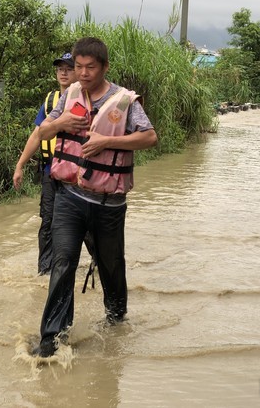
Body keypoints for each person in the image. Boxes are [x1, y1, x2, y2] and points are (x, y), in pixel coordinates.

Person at [34, 37, 158, 357]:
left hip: (108, 204)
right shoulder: (69, 95)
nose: (83, 73)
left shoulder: (124, 101)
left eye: (90, 67)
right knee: (63, 262)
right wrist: (60, 121)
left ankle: (116, 320)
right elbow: (44, 132)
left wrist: (106, 142)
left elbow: (149, 137)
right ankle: (52, 339)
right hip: (70, 197)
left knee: (111, 266)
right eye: (78, 67)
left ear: (104, 68)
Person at [13, 53, 78, 275]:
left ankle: (98, 267)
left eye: (68, 68)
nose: (63, 72)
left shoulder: (85, 100)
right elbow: (36, 136)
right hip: (51, 172)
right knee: (47, 221)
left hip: (76, 175)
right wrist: (20, 165)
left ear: (78, 71)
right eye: (60, 68)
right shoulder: (50, 101)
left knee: (85, 227)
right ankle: (45, 271)